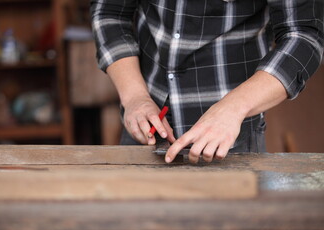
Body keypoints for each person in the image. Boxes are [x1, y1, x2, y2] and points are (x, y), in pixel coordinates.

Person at [90, 0, 323, 164]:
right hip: (144, 129)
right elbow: (110, 13)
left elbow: (303, 36)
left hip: (231, 138)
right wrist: (134, 97)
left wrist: (233, 108)